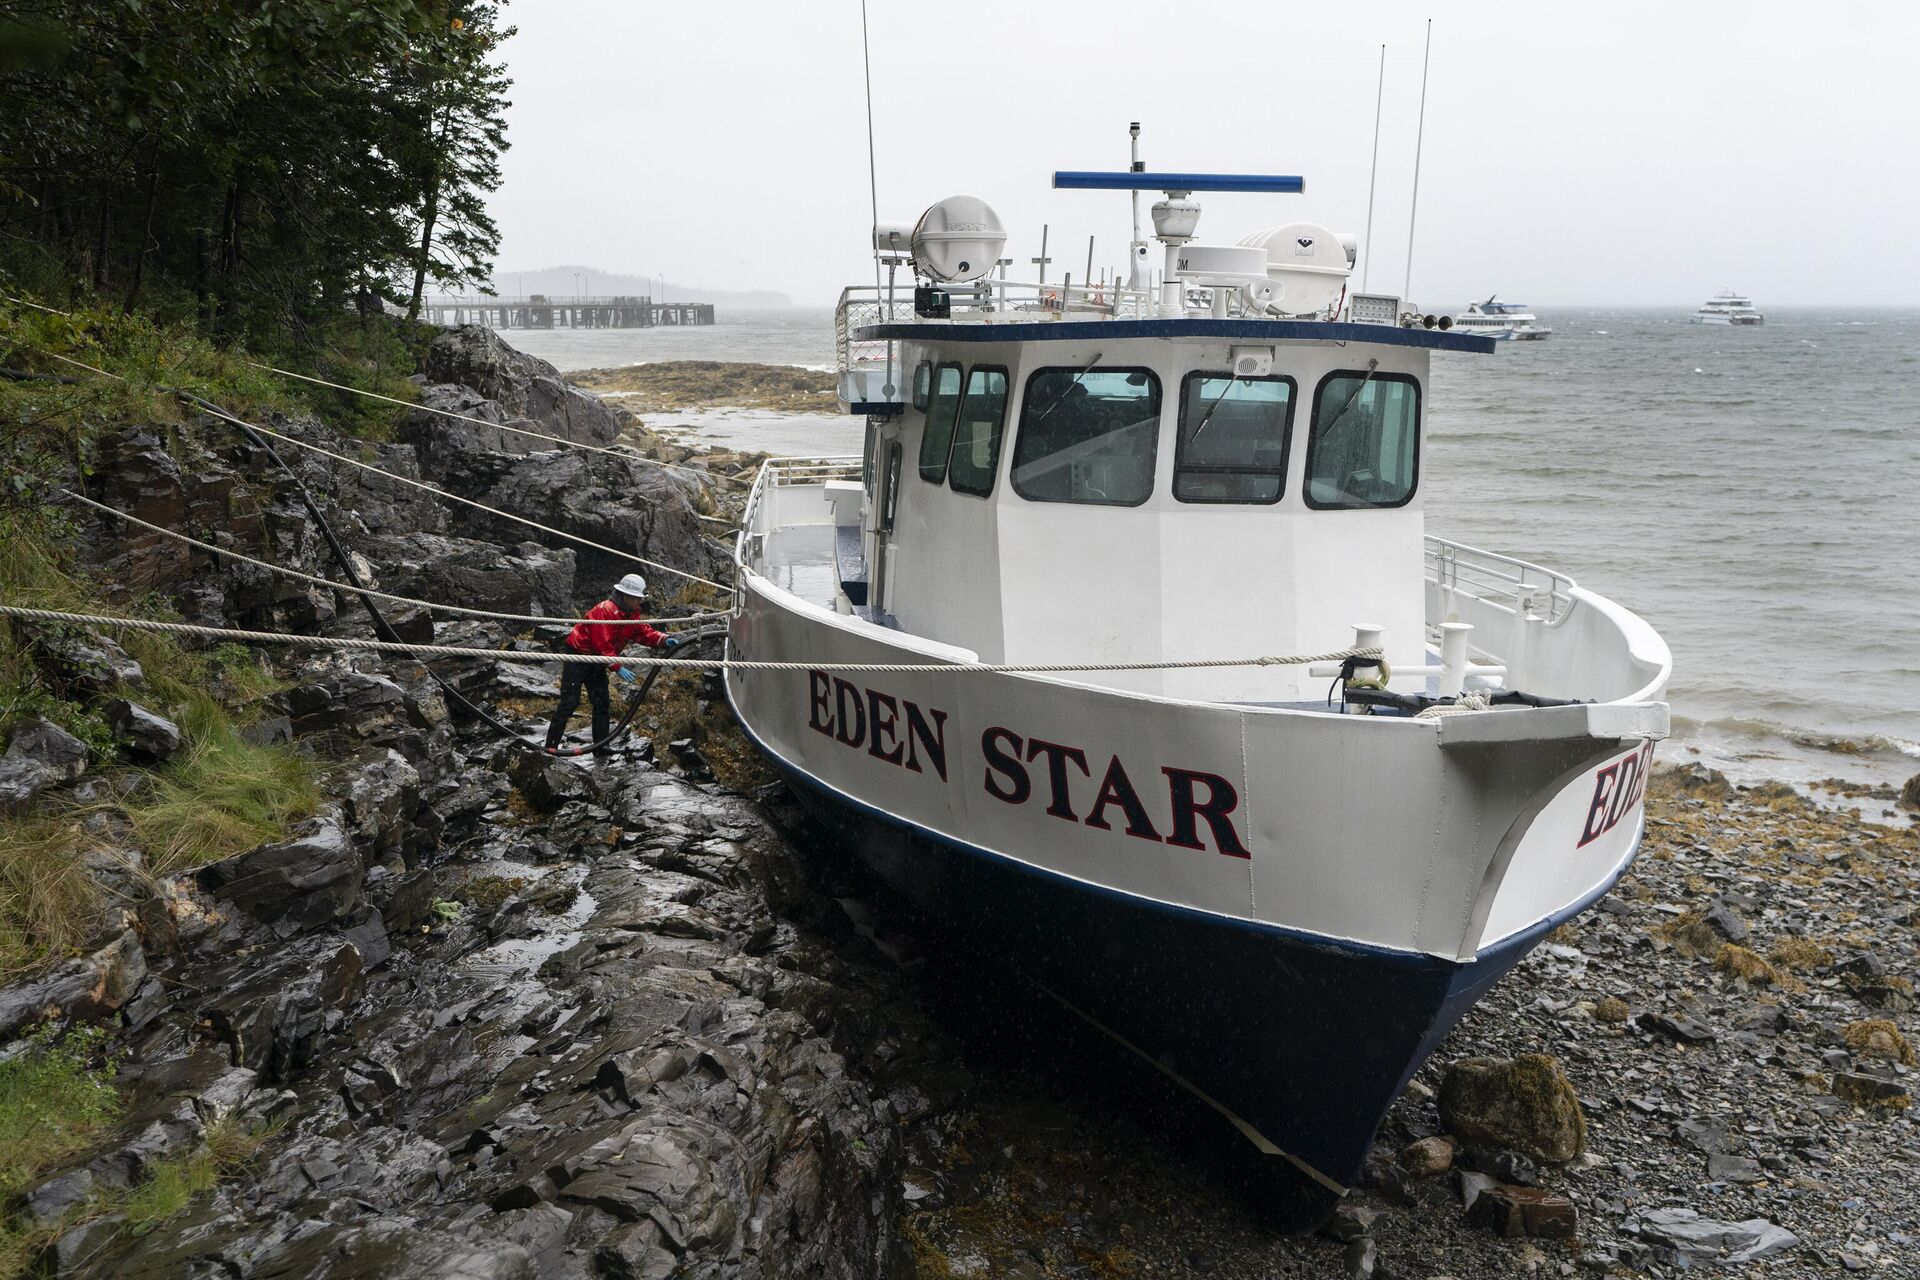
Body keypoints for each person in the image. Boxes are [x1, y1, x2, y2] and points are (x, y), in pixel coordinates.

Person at [544, 572, 683, 757]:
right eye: (637, 599)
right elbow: (602, 644)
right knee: (570, 702)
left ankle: (600, 747)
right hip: (579, 657)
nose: (639, 602)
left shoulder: (631, 613)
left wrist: (663, 639)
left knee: (602, 703)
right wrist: (618, 667)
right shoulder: (605, 611)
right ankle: (550, 746)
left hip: (599, 661)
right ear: (626, 596)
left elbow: (641, 632)